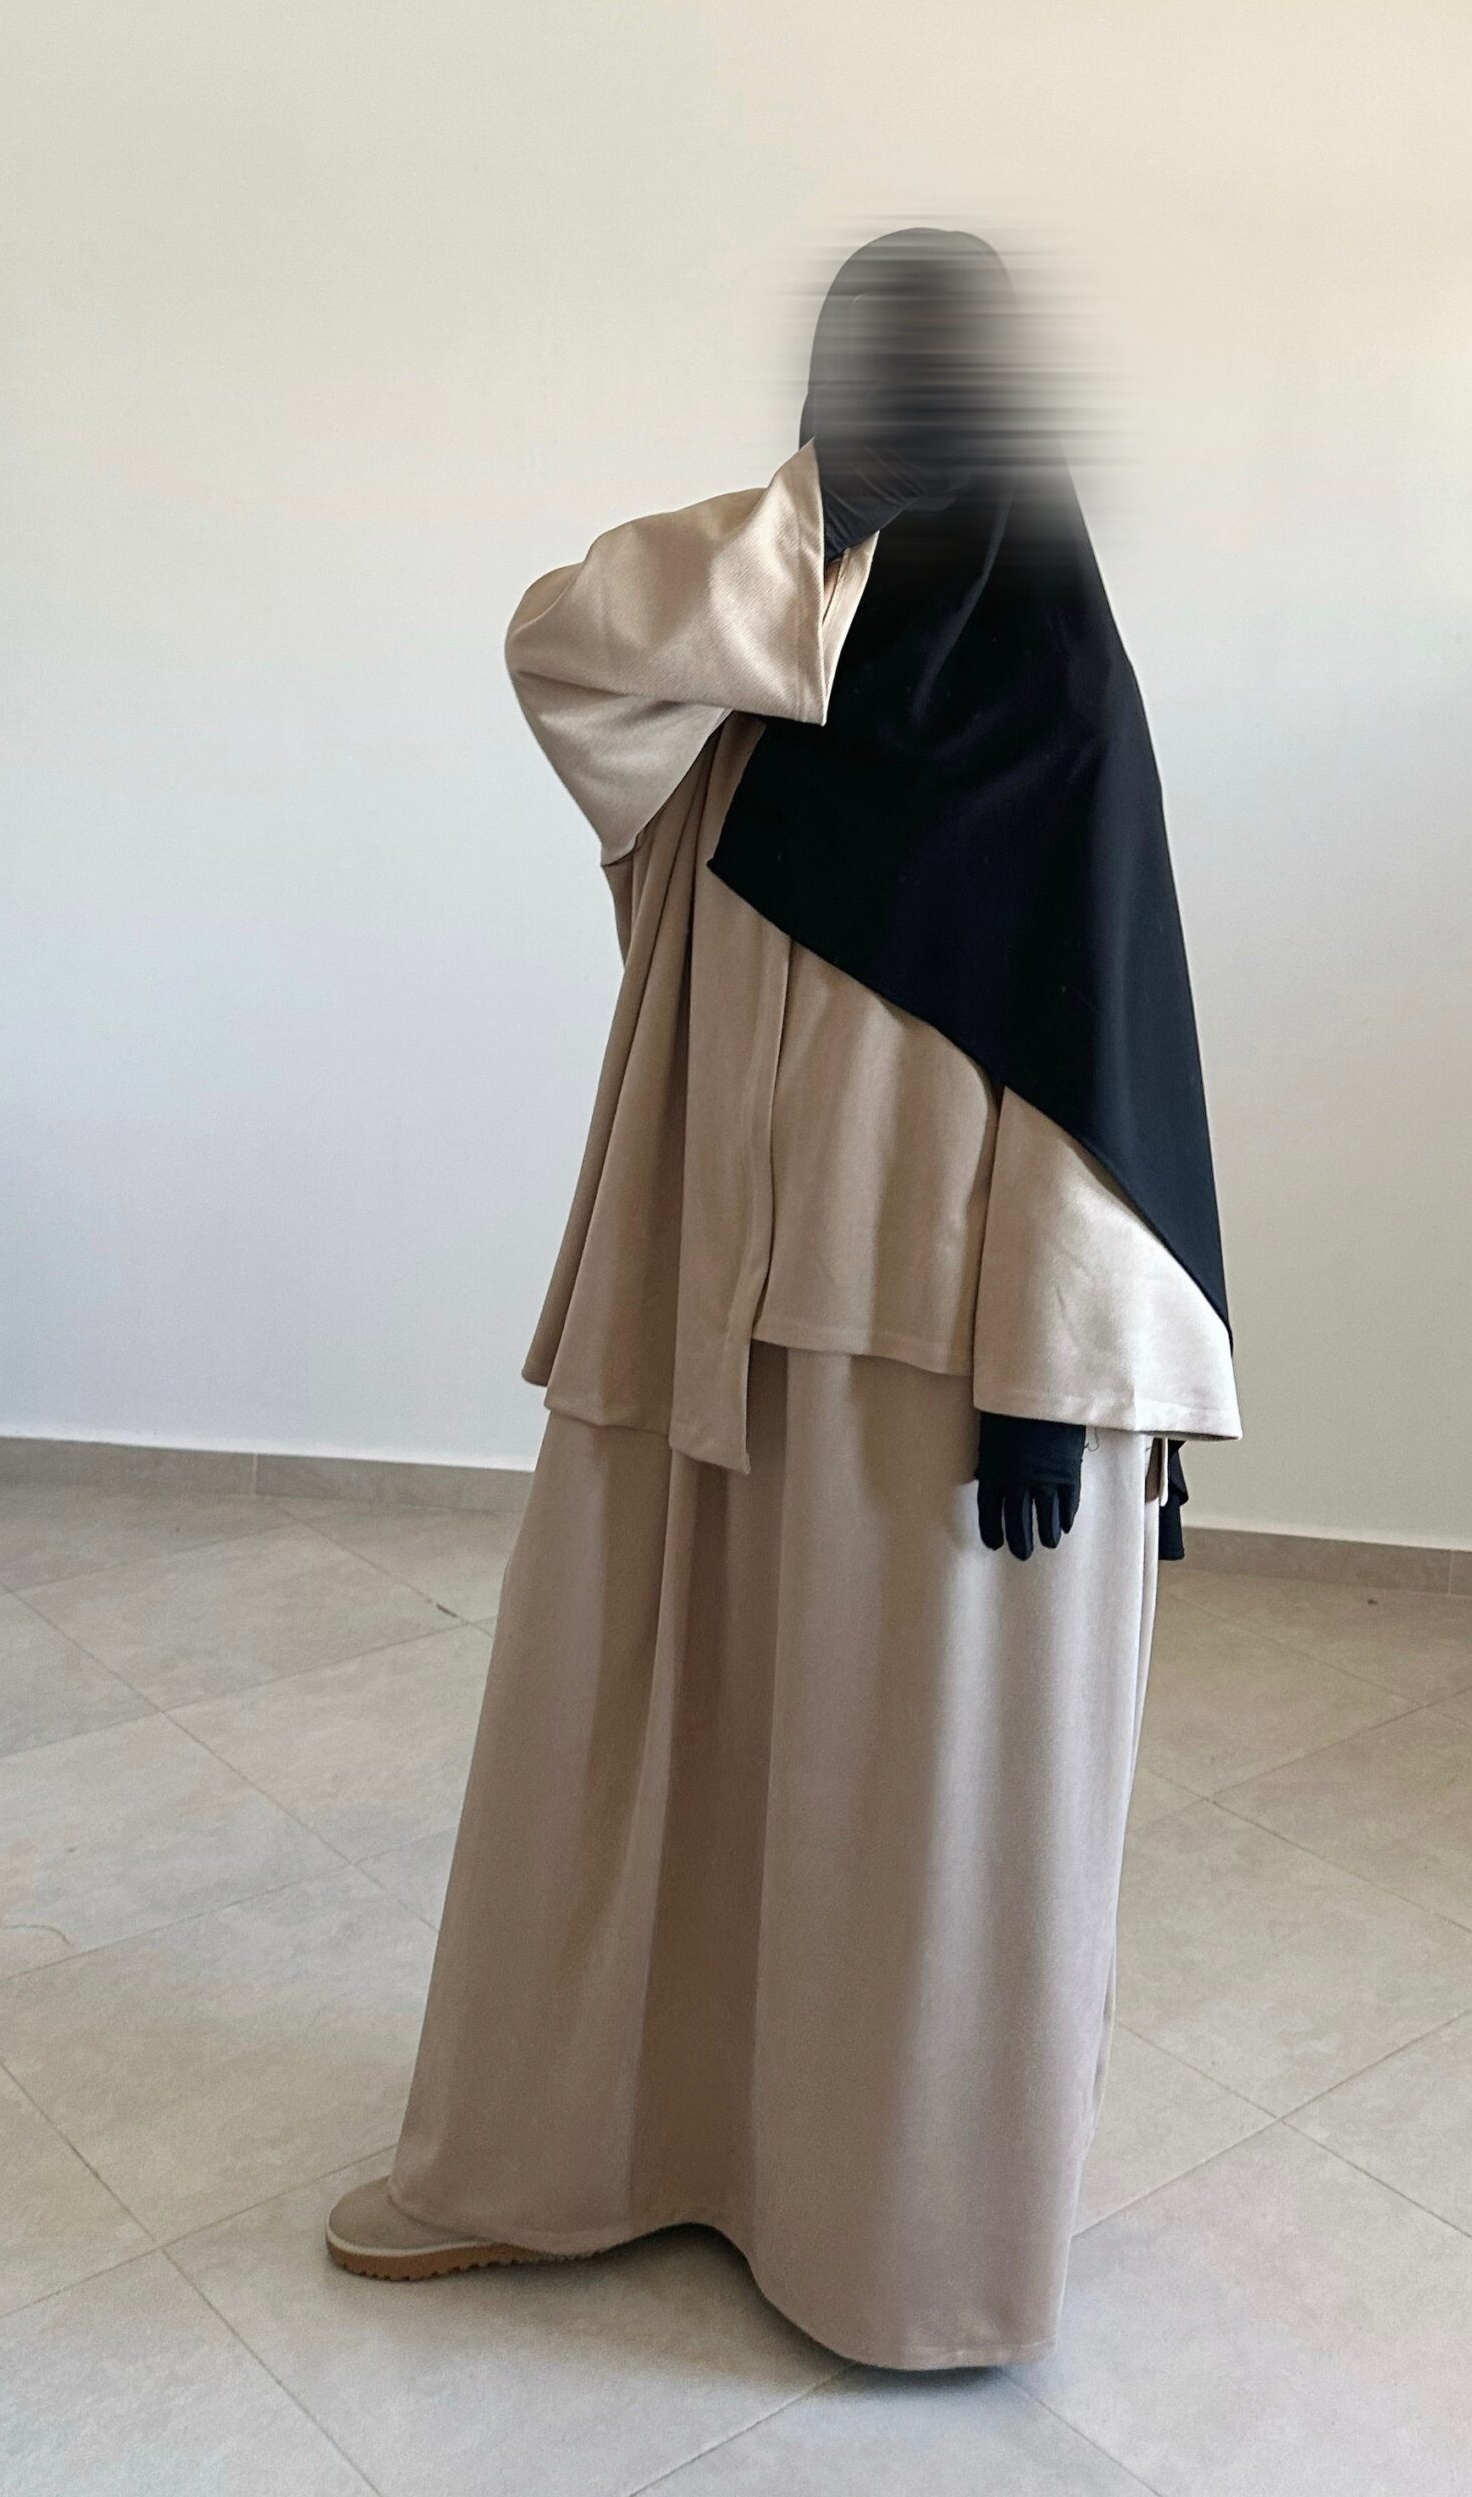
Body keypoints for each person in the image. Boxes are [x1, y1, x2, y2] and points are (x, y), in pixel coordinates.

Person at [327, 229, 1239, 2368]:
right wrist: (817, 515)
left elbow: (1106, 1060)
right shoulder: (753, 666)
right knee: (638, 1741)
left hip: (949, 1361)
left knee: (906, 1803)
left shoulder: (1061, 710)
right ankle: (572, 2157)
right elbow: (559, 643)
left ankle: (893, 2253)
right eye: (868, 377)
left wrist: (1061, 1380)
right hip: (694, 1302)